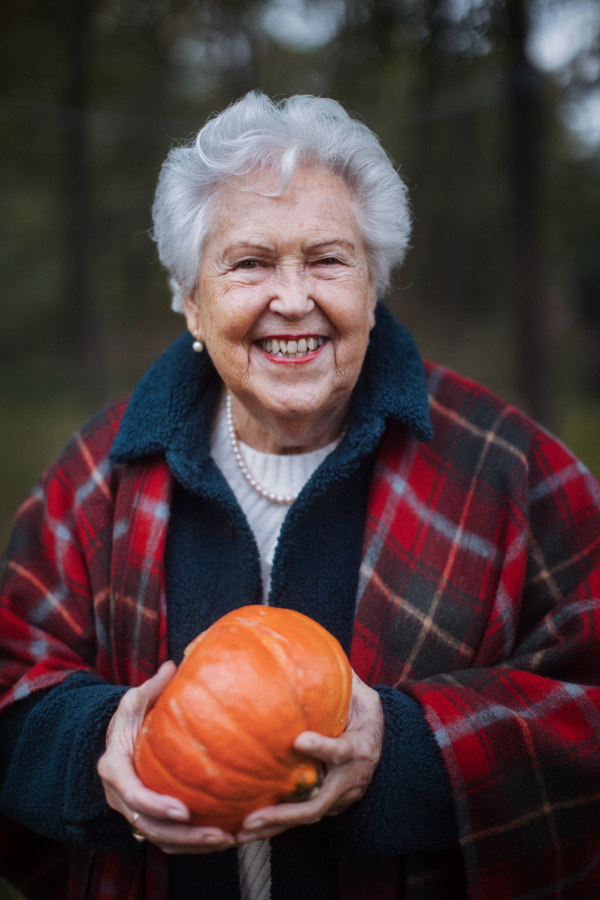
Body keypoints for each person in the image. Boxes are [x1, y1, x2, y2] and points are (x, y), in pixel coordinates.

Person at [1, 91, 600, 900]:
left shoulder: (507, 467)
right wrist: (95, 749)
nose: (293, 299)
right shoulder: (97, 473)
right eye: (249, 263)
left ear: (373, 283)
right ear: (190, 299)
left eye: (327, 259)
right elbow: (12, 676)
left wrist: (409, 754)